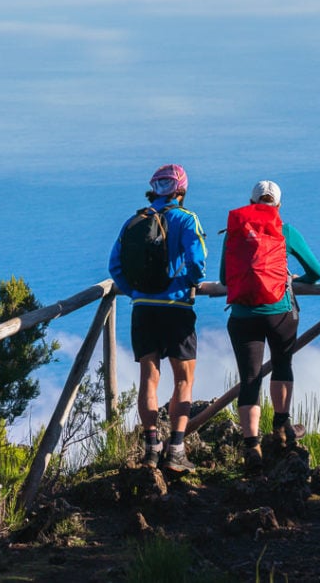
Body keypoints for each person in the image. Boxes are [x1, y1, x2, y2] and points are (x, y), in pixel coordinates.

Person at [109, 164, 207, 472]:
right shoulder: (186, 219)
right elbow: (197, 264)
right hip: (176, 308)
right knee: (183, 379)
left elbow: (115, 267)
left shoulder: (133, 222)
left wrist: (137, 292)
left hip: (143, 309)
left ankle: (151, 448)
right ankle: (176, 449)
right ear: (182, 190)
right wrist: (184, 285)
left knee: (148, 379)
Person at [220, 180, 320, 473]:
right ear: (277, 205)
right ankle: (282, 429)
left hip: (242, 315)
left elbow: (225, 279)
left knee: (250, 378)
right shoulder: (285, 230)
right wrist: (294, 280)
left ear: (250, 202)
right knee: (282, 365)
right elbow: (316, 271)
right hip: (280, 313)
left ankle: (251, 446)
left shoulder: (234, 232)